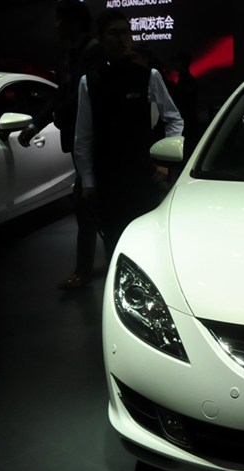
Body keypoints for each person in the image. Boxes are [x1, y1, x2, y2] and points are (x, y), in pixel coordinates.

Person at [74, 10, 184, 260]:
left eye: (126, 32)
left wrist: (165, 162)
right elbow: (83, 135)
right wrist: (88, 180)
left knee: (146, 239)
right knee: (114, 242)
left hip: (143, 173)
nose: (122, 38)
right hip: (107, 176)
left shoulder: (148, 76)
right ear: (101, 38)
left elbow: (173, 118)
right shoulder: (89, 81)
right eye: (114, 33)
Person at [18, 0, 104, 290]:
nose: (55, 25)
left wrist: (55, 116)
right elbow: (61, 94)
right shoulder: (72, 52)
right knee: (91, 207)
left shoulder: (92, 51)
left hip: (95, 142)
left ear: (74, 21)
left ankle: (86, 270)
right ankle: (97, 265)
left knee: (88, 205)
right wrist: (35, 125)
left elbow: (81, 97)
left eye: (59, 19)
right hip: (82, 142)